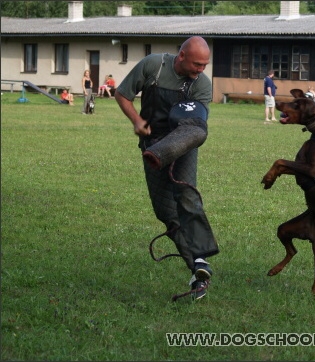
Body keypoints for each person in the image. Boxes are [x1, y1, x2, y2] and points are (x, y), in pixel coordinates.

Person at [114, 36, 219, 300]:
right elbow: (122, 94)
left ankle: (200, 262)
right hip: (151, 146)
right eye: (197, 64)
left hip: (183, 145)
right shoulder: (154, 66)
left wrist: (168, 150)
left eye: (205, 65)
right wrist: (137, 121)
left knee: (186, 199)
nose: (201, 70)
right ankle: (197, 268)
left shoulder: (202, 85)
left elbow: (196, 126)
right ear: (181, 55)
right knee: (165, 213)